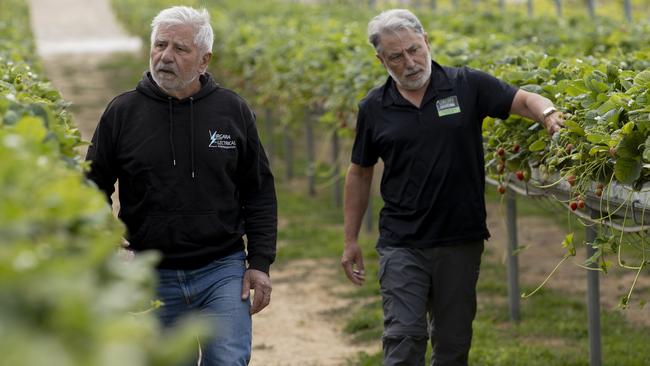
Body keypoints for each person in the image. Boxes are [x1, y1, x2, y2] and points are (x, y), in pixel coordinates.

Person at [340, 8, 563, 366]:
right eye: (396, 56)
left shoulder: (466, 85)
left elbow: (522, 100)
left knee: (452, 345)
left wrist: (548, 113)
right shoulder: (374, 107)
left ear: (426, 42)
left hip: (460, 238)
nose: (410, 62)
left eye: (415, 49)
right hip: (402, 241)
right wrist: (350, 240)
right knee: (404, 339)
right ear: (380, 59)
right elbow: (360, 172)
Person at [85, 6, 276, 366]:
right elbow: (93, 182)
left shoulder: (232, 110)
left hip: (222, 270)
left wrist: (261, 262)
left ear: (204, 60)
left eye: (179, 49)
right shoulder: (122, 112)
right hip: (150, 273)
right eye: (160, 45)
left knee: (228, 359)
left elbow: (259, 190)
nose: (165, 57)